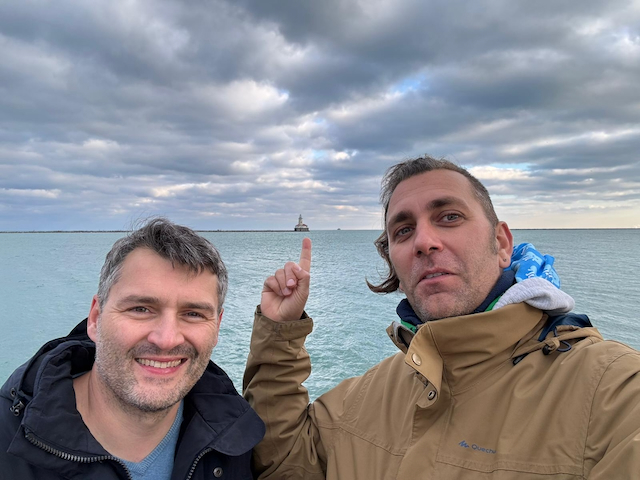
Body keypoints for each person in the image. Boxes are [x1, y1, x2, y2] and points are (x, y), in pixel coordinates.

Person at [243, 156, 640, 479]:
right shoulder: (364, 397)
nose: (424, 241)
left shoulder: (614, 390)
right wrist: (280, 334)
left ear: (501, 244)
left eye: (449, 216)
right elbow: (284, 462)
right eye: (402, 230)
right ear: (394, 264)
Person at [0, 218, 264, 480]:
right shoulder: (7, 438)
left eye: (193, 314)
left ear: (217, 327)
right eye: (141, 309)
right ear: (95, 317)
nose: (167, 339)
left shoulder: (235, 439)